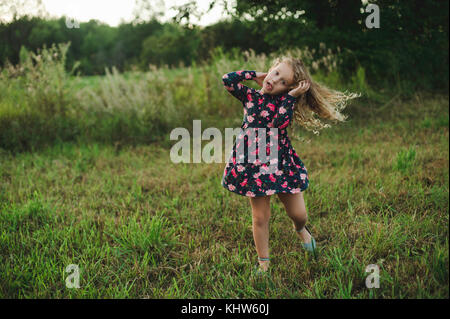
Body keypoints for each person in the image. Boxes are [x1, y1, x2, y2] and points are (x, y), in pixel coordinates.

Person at [221, 56, 360, 276]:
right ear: (270, 70)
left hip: (280, 165)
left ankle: (300, 230)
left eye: (283, 81)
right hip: (251, 165)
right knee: (260, 217)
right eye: (275, 73)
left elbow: (279, 123)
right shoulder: (250, 96)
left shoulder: (283, 104)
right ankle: (263, 262)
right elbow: (228, 80)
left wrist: (291, 97)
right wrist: (256, 75)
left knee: (299, 214)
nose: (275, 80)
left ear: (288, 89)